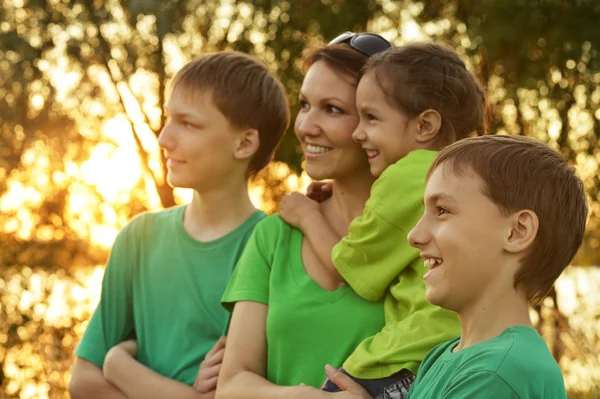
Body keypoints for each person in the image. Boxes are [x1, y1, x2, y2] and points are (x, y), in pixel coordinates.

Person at [68, 51, 290, 399]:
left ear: (245, 143)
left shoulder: (270, 246)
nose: (164, 139)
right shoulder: (137, 238)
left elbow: (232, 392)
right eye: (169, 119)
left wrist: (118, 365)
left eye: (189, 124)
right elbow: (82, 381)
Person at [280, 43, 487, 398]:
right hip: (461, 341)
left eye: (371, 118)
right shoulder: (469, 175)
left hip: (418, 347)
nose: (359, 134)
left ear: (424, 125)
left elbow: (345, 268)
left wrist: (306, 215)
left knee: (335, 389)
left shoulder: (408, 175)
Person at [216, 33, 393, 398]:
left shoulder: (422, 236)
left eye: (332, 109)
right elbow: (232, 385)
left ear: (376, 122)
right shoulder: (273, 236)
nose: (306, 126)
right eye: (305, 104)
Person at [405, 135, 587, 398]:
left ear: (517, 232)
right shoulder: (442, 356)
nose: (414, 235)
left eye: (442, 210)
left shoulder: (496, 374)